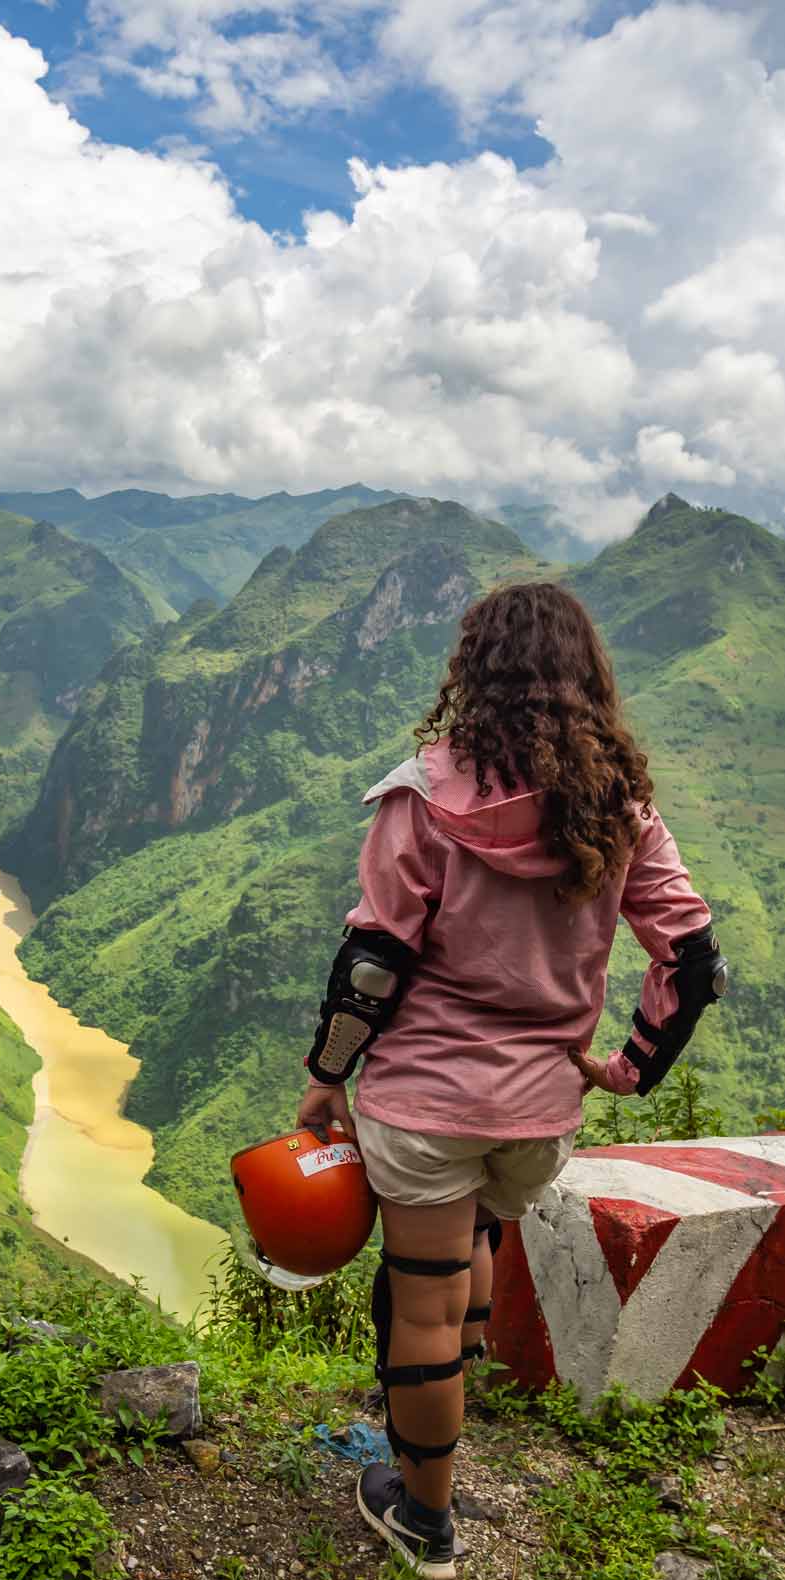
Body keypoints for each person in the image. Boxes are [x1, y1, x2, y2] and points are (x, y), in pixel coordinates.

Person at [296, 582, 727, 1578]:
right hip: (538, 1112)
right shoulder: (618, 811)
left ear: (473, 671)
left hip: (425, 1102)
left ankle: (426, 1516)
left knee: (420, 1306)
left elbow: (374, 960)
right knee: (475, 1244)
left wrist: (326, 1076)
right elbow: (692, 958)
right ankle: (441, 1431)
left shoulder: (424, 798)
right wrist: (627, 1068)